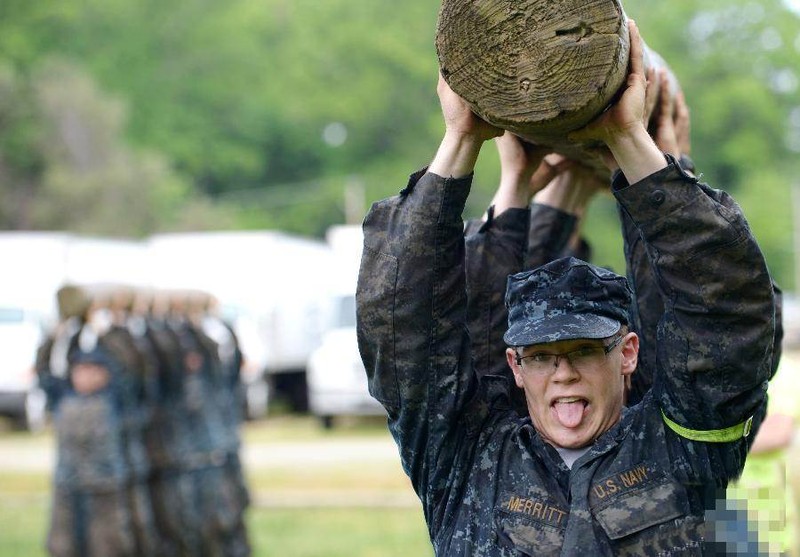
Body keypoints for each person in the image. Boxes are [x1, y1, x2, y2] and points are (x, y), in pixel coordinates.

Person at [356, 20, 776, 555]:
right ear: (515, 366)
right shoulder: (464, 459)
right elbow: (403, 327)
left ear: (627, 353)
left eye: (582, 349)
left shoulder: (681, 449)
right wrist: (461, 141)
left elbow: (722, 310)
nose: (563, 372)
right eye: (541, 356)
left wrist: (636, 147)